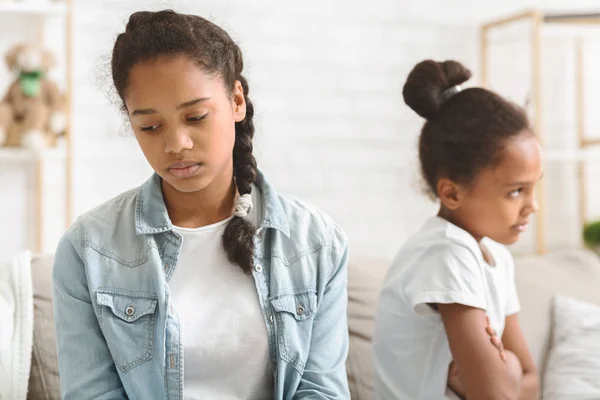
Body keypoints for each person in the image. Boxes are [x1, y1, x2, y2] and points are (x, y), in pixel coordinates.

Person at [52, 10, 350, 400]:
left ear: (237, 101)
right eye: (151, 126)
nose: (177, 144)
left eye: (195, 116)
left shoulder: (316, 243)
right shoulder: (88, 249)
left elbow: (320, 391)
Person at [373, 60, 541, 400]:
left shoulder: (497, 258)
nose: (532, 205)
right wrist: (508, 370)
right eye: (515, 191)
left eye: (534, 188)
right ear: (452, 193)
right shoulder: (446, 252)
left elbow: (534, 383)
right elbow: (496, 394)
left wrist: (503, 367)